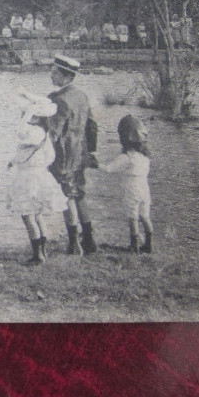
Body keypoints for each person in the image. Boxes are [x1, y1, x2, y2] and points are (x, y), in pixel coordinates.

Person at [47, 54, 99, 255]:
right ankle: (89, 239)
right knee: (80, 194)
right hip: (80, 152)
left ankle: (73, 242)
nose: (51, 76)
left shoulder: (59, 100)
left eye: (55, 73)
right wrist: (92, 150)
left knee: (67, 196)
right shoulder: (81, 95)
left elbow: (53, 133)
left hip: (63, 155)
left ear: (65, 76)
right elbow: (92, 125)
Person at [7, 92, 65, 264]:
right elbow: (40, 155)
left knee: (28, 215)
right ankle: (42, 249)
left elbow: (19, 132)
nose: (24, 117)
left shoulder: (34, 132)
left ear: (37, 117)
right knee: (37, 215)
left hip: (30, 178)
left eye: (29, 115)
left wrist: (27, 114)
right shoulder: (44, 133)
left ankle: (37, 254)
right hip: (40, 175)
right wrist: (14, 160)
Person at [99, 114, 153, 253]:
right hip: (145, 189)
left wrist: (95, 164)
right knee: (145, 216)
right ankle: (148, 244)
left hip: (132, 189)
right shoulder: (145, 156)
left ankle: (134, 246)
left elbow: (110, 168)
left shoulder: (127, 156)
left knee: (133, 217)